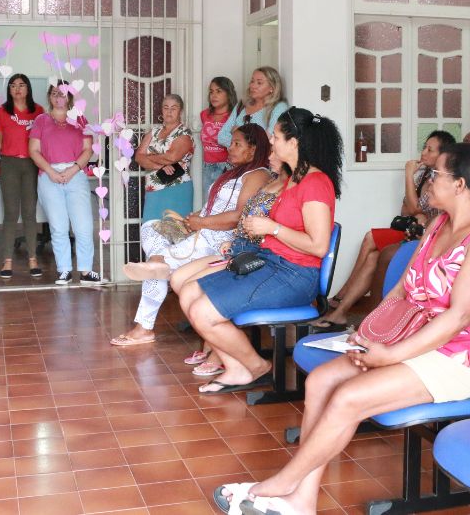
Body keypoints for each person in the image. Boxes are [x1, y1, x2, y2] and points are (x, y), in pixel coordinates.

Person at [212, 142, 470, 515]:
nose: (428, 180)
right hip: (410, 341)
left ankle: (280, 484)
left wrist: (390, 355)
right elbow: (402, 289)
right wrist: (372, 333)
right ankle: (302, 500)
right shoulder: (439, 224)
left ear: (460, 184)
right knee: (320, 382)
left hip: (457, 358)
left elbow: (459, 318)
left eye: (435, 173)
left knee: (347, 398)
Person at [179, 107, 341, 394]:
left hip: (294, 274)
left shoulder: (315, 183)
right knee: (189, 293)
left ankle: (256, 367)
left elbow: (318, 246)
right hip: (269, 262)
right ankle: (237, 368)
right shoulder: (293, 180)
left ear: (294, 143)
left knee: (202, 312)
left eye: (276, 136)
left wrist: (272, 228)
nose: (271, 141)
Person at [110, 124, 271, 346]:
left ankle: (144, 325)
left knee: (157, 268)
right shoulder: (235, 172)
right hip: (203, 231)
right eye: (231, 143)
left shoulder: (257, 175)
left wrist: (201, 222)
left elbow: (238, 216)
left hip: (219, 241)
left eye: (237, 144)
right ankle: (158, 260)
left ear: (253, 149)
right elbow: (218, 207)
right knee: (155, 229)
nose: (230, 148)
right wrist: (197, 216)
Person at [312, 131, 455, 329]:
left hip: (424, 235)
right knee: (372, 252)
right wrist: (416, 209)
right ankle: (344, 310)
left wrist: (408, 175)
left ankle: (346, 303)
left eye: (429, 149)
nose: (423, 152)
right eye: (424, 147)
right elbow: (407, 210)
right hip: (418, 231)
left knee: (374, 245)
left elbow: (415, 208)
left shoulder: (441, 181)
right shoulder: (426, 176)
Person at [171, 150, 289, 377]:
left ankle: (218, 351)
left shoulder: (288, 186)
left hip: (251, 255)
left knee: (191, 290)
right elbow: (245, 220)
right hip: (236, 248)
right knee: (177, 278)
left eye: (275, 150)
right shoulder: (271, 180)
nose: (270, 154)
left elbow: (272, 229)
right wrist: (233, 240)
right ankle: (215, 343)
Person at [30, 81, 99, 285]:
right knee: (58, 226)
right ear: (49, 97)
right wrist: (51, 171)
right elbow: (33, 150)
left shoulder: (80, 119)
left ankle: (86, 271)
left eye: (62, 94)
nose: (58, 97)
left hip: (75, 174)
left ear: (69, 97)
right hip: (48, 175)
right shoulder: (41, 120)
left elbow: (88, 149)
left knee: (83, 225)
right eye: (54, 93)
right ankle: (64, 270)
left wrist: (73, 169)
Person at [0, 74, 45, 279]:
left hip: (32, 164)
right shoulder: (2, 110)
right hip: (10, 164)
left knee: (30, 212)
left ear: (28, 88)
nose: (17, 89)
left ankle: (33, 258)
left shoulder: (38, 111)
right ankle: (7, 260)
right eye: (13, 85)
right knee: (11, 212)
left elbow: (43, 139)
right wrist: (8, 153)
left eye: (21, 85)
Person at [137, 94, 195, 222]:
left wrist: (149, 156)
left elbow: (171, 157)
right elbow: (139, 158)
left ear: (180, 111)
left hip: (177, 187)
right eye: (166, 107)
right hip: (153, 188)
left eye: (173, 108)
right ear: (162, 110)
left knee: (176, 229)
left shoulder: (184, 133)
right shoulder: (154, 131)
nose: (169, 111)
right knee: (151, 228)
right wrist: (161, 166)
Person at [216, 66, 289, 147]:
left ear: (272, 87)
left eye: (259, 83)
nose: (253, 86)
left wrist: (238, 132)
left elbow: (268, 140)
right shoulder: (242, 104)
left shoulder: (279, 107)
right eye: (252, 81)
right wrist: (249, 143)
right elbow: (221, 137)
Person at [200, 76, 237, 197]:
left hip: (226, 167)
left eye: (219, 91)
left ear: (229, 94)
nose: (214, 95)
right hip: (207, 166)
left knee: (223, 202)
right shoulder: (205, 114)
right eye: (211, 92)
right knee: (208, 203)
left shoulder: (234, 116)